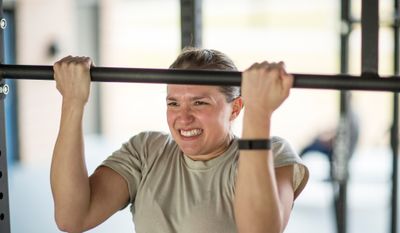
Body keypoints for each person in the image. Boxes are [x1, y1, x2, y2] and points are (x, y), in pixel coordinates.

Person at [50, 47, 309, 233]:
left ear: (236, 108)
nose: (183, 118)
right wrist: (73, 102)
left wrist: (259, 112)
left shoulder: (272, 154)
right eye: (173, 103)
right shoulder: (147, 151)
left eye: (200, 103)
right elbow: (72, 218)